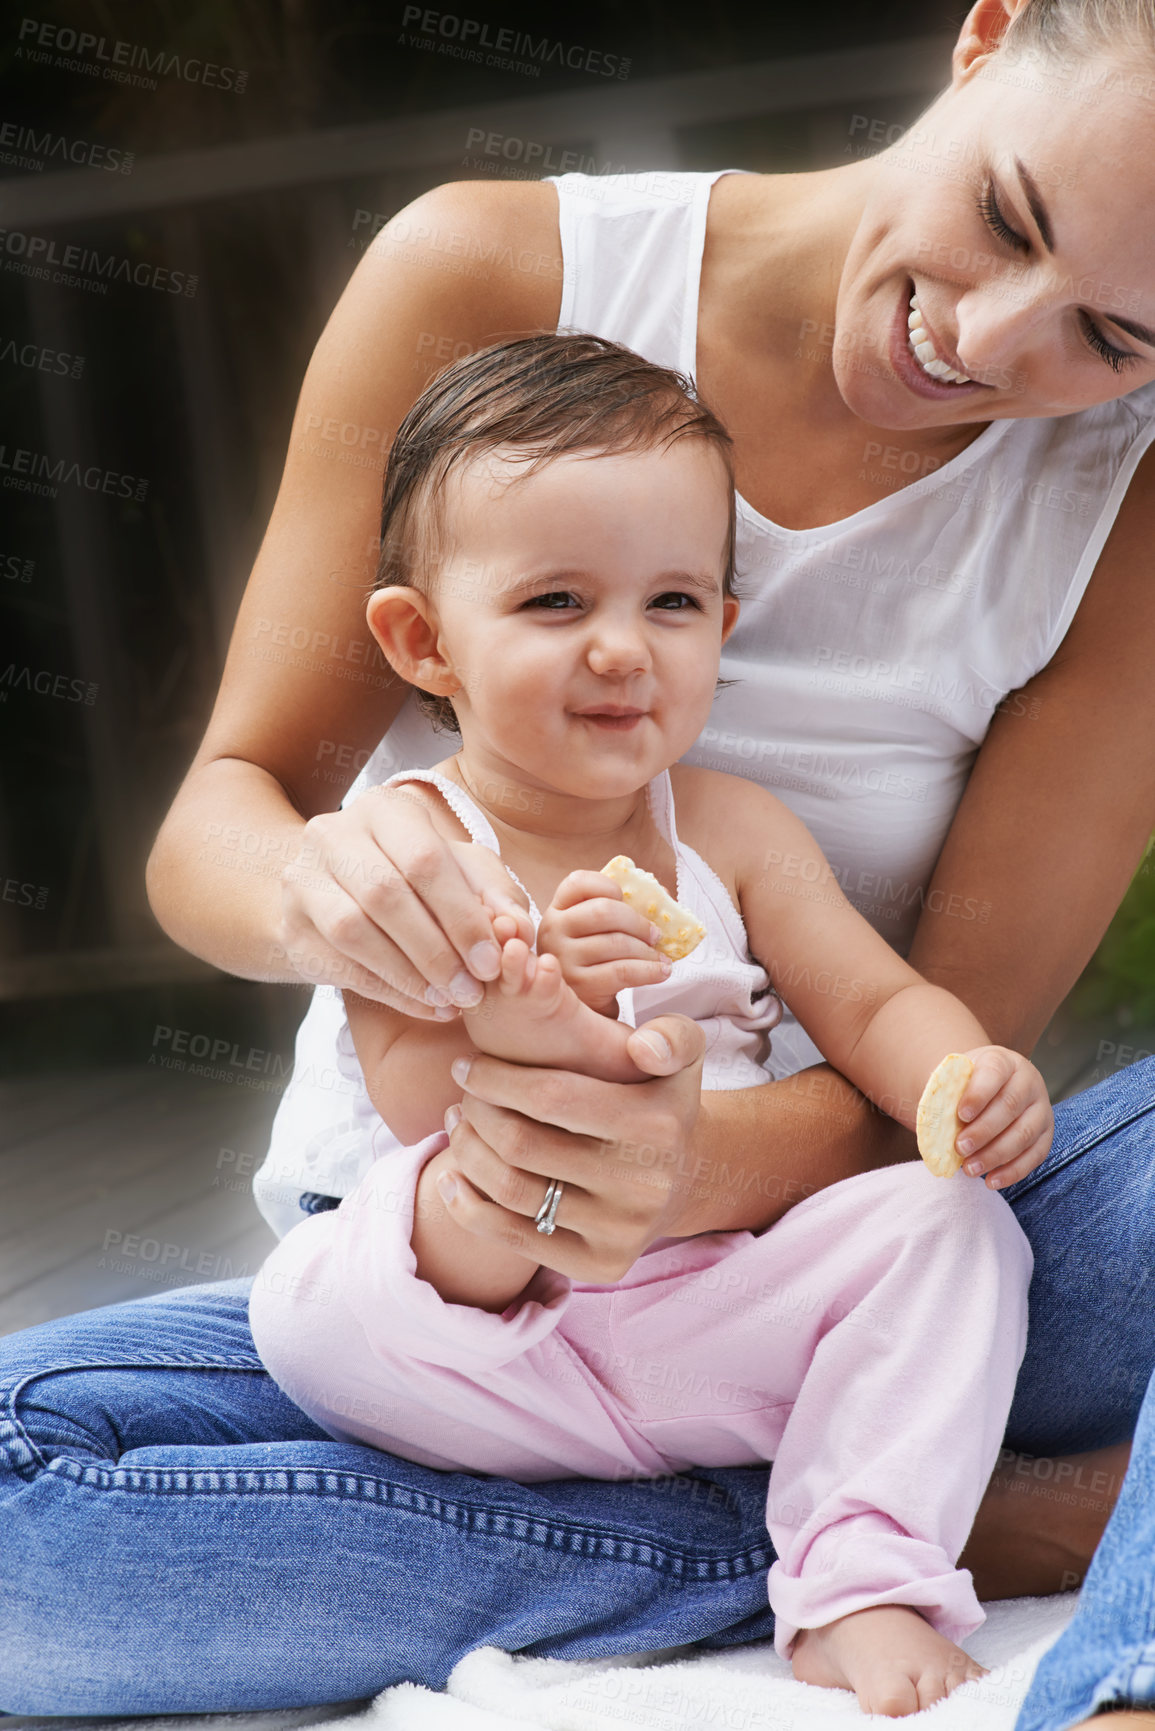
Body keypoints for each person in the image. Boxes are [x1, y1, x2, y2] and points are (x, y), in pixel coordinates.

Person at [2, 0, 1154, 1715]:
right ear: (985, 38)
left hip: (815, 1260)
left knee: (961, 1236)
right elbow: (225, 818)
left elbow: (921, 1048)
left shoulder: (1123, 503)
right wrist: (331, 901)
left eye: (1116, 335)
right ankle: (966, 1517)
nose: (985, 342)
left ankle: (1071, 1643)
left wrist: (706, 1160)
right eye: (1003, 217)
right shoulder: (489, 269)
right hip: (439, 1287)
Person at [249, 329, 1050, 1719]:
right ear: (422, 641)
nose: (624, 648)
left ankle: (858, 1575)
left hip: (704, 1304)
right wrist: (530, 1005)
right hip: (482, 1333)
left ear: (722, 634)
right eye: (556, 601)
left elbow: (867, 1002)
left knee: (952, 1226)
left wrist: (961, 1078)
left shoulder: (733, 831)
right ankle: (704, 1535)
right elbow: (420, 1107)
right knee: (315, 1298)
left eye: (674, 601)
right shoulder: (410, 844)